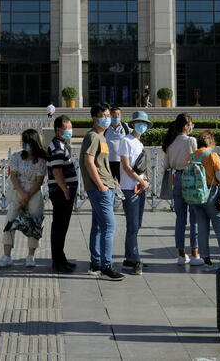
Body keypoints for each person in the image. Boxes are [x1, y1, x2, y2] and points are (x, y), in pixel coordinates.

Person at [81, 103, 124, 280]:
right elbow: (89, 162)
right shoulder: (93, 136)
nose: (107, 118)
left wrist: (112, 182)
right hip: (100, 189)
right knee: (109, 227)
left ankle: (96, 262)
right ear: (94, 118)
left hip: (107, 186)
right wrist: (100, 185)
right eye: (103, 115)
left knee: (99, 226)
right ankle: (107, 265)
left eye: (108, 115)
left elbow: (102, 164)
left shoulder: (102, 136)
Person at [0, 129, 47, 269]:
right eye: (23, 141)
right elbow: (13, 176)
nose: (25, 144)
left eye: (28, 141)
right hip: (17, 190)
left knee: (34, 223)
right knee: (10, 221)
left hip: (34, 193)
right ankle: (6, 255)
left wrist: (28, 196)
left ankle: (31, 255)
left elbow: (39, 180)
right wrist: (22, 194)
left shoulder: (41, 160)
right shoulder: (16, 157)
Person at [190, 129, 220, 272]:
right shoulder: (212, 155)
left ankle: (206, 259)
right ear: (210, 142)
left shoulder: (192, 156)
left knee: (202, 228)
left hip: (195, 195)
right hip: (211, 193)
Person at [163, 113, 202, 265]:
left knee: (180, 219)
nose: (191, 127)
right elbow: (196, 160)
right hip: (191, 178)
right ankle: (195, 254)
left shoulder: (170, 143)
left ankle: (181, 254)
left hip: (177, 179)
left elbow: (165, 165)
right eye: (190, 124)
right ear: (186, 126)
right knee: (194, 218)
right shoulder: (191, 141)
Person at [119, 111, 152, 275]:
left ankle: (129, 258)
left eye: (145, 124)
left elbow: (140, 166)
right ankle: (136, 259)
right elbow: (126, 166)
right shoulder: (126, 140)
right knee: (132, 225)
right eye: (140, 123)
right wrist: (140, 181)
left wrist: (145, 179)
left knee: (136, 224)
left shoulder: (139, 142)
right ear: (132, 124)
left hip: (139, 187)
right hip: (129, 187)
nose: (142, 126)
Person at [47, 115, 78, 273]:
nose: (70, 131)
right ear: (59, 130)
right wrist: (65, 189)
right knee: (59, 226)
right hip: (61, 193)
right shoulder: (57, 147)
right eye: (67, 128)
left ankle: (61, 258)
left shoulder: (60, 144)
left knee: (61, 227)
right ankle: (58, 261)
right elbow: (57, 172)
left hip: (62, 192)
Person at [105, 106, 128, 183]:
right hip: (108, 162)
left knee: (123, 183)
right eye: (114, 114)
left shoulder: (125, 127)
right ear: (110, 116)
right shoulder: (105, 128)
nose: (116, 116)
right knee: (109, 184)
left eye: (118, 114)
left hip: (122, 162)